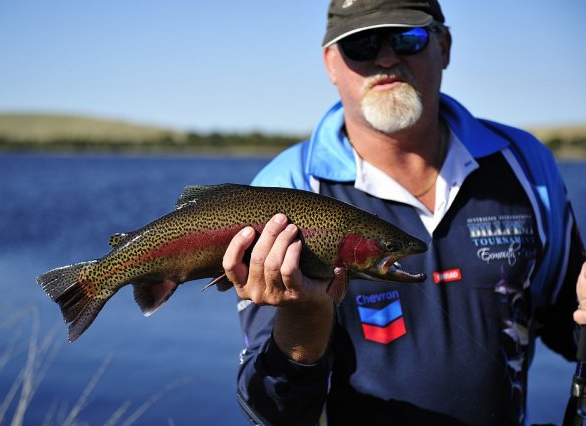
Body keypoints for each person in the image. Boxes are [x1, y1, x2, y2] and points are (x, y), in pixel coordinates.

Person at [222, 1, 586, 424]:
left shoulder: (525, 163)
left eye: (407, 37)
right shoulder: (284, 186)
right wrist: (303, 319)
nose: (387, 57)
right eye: (361, 44)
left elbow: (567, 325)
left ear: (444, 46)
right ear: (331, 63)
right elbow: (271, 410)